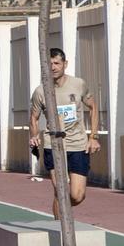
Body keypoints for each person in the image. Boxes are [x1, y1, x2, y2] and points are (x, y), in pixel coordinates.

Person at [29, 47, 99, 215]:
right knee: (60, 191)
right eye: (49, 63)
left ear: (65, 64)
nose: (53, 67)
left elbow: (93, 107)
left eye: (56, 63)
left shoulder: (78, 84)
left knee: (77, 195)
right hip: (52, 145)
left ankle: (60, 206)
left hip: (78, 144)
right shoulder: (40, 91)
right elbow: (34, 117)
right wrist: (34, 136)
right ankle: (60, 231)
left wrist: (93, 137)